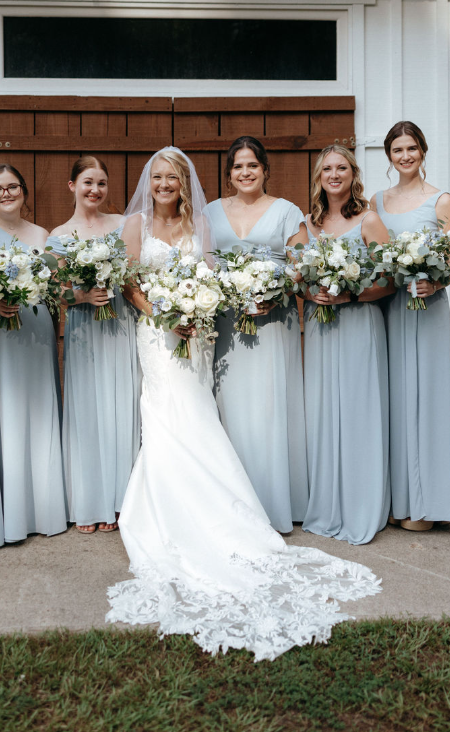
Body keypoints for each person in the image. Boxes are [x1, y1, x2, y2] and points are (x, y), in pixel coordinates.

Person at [106, 146, 381, 662]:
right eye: (158, 177)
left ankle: (219, 510)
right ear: (151, 182)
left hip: (200, 333)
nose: (165, 184)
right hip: (158, 335)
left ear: (185, 183)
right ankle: (171, 505)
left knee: (199, 415)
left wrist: (195, 306)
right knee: (165, 416)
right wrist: (165, 313)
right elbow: (129, 283)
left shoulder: (199, 225)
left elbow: (209, 274)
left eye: (174, 177)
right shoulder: (135, 224)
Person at [0, 165, 66, 547]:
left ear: (24, 191)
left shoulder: (41, 235)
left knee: (31, 412)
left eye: (13, 187)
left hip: (32, 333)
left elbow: (54, 286)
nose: (6, 194)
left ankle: (36, 510)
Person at [204, 137, 308, 533]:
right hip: (227, 323)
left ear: (265, 169)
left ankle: (273, 503)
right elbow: (202, 262)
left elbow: (301, 265)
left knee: (268, 405)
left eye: (252, 165)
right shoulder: (210, 212)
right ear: (228, 173)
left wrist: (276, 289)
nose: (245, 173)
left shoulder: (286, 211)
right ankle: (233, 504)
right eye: (237, 167)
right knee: (230, 407)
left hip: (272, 322)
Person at [291, 145, 392, 546]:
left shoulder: (369, 220)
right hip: (320, 327)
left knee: (357, 411)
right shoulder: (307, 226)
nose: (334, 174)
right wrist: (307, 290)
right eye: (327, 169)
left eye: (342, 168)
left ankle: (361, 505)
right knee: (322, 413)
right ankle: (328, 503)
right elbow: (296, 278)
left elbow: (388, 281)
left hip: (358, 325)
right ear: (318, 176)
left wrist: (348, 296)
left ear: (353, 174)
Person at [371, 122, 450, 531]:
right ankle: (399, 499)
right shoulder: (376, 201)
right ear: (388, 155)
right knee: (395, 401)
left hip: (427, 310)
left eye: (411, 148)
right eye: (397, 149)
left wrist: (434, 279)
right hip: (390, 308)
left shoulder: (441, 200)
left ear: (423, 151)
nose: (404, 156)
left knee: (427, 401)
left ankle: (428, 504)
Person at [47, 157, 140, 535]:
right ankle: (91, 500)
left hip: (120, 324)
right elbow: (53, 291)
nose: (95, 190)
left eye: (101, 183)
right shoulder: (59, 234)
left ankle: (122, 501)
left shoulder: (123, 225)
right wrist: (82, 295)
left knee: (122, 407)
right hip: (86, 327)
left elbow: (136, 276)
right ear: (72, 185)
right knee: (89, 412)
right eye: (87, 182)